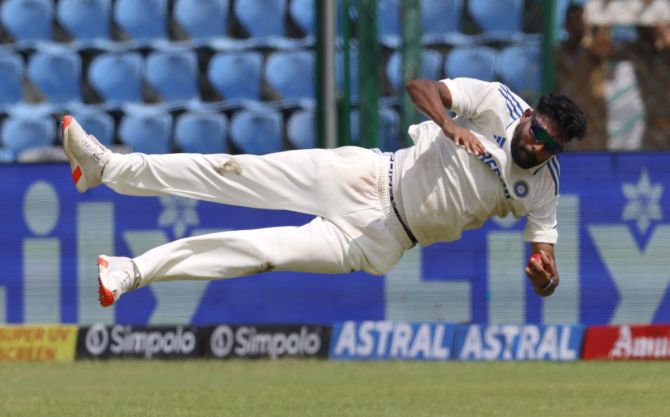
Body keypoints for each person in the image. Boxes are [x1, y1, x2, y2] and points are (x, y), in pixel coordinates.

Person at [61, 77, 587, 308]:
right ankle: (105, 168)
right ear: (529, 115)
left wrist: (547, 278)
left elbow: (545, 263)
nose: (539, 148)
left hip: (378, 243)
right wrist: (448, 122)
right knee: (232, 172)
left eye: (551, 148)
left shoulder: (543, 185)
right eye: (538, 133)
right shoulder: (495, 100)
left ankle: (128, 273)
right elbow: (420, 87)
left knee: (260, 254)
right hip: (363, 176)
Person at [555, 2, 612, 151]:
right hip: (568, 118)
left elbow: (602, 50)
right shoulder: (560, 51)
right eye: (573, 21)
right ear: (566, 24)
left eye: (581, 20)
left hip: (593, 120)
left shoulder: (593, 48)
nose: (577, 25)